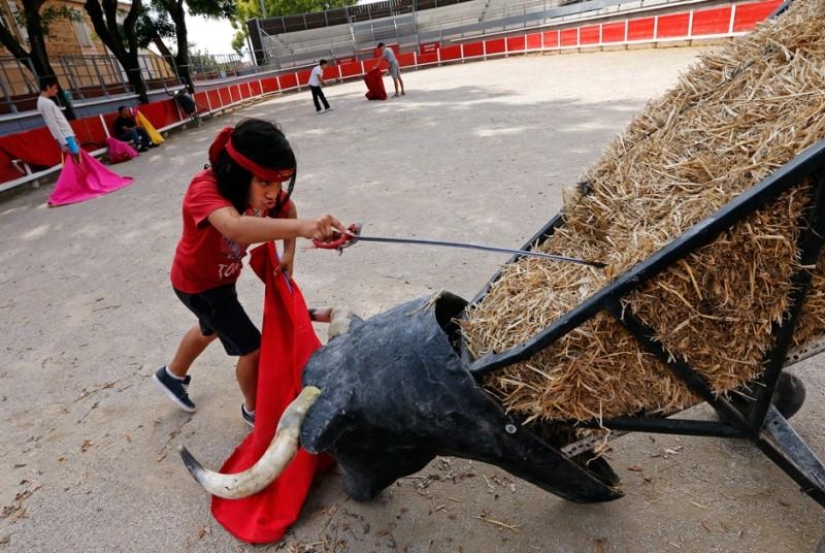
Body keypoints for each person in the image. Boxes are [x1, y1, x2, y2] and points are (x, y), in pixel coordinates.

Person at [153, 118, 345, 427]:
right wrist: (305, 228)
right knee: (252, 348)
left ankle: (172, 374)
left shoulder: (265, 193)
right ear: (237, 172)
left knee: (211, 328)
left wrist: (289, 252)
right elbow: (235, 227)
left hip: (220, 279)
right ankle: (254, 410)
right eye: (265, 183)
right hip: (198, 284)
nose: (273, 193)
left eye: (280, 183)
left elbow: (288, 208)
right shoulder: (205, 188)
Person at [37, 77, 80, 157]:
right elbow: (52, 124)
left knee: (76, 158)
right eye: (55, 88)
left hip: (66, 135)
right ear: (48, 87)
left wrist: (71, 135)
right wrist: (63, 142)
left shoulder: (44, 102)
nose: (57, 91)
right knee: (76, 157)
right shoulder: (46, 103)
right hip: (65, 136)